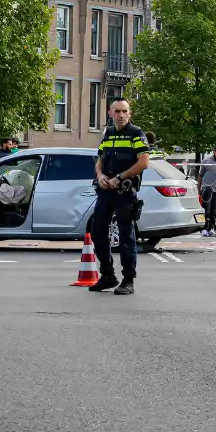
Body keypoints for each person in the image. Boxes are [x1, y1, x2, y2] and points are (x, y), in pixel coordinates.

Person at [89, 98, 150, 296]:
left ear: (129, 113)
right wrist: (100, 176)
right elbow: (99, 158)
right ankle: (107, 275)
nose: (121, 115)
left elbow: (143, 163)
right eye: (117, 111)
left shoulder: (136, 133)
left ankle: (128, 279)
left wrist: (119, 177)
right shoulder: (108, 133)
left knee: (126, 236)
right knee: (97, 230)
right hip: (106, 190)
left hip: (125, 191)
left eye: (124, 111)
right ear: (110, 113)